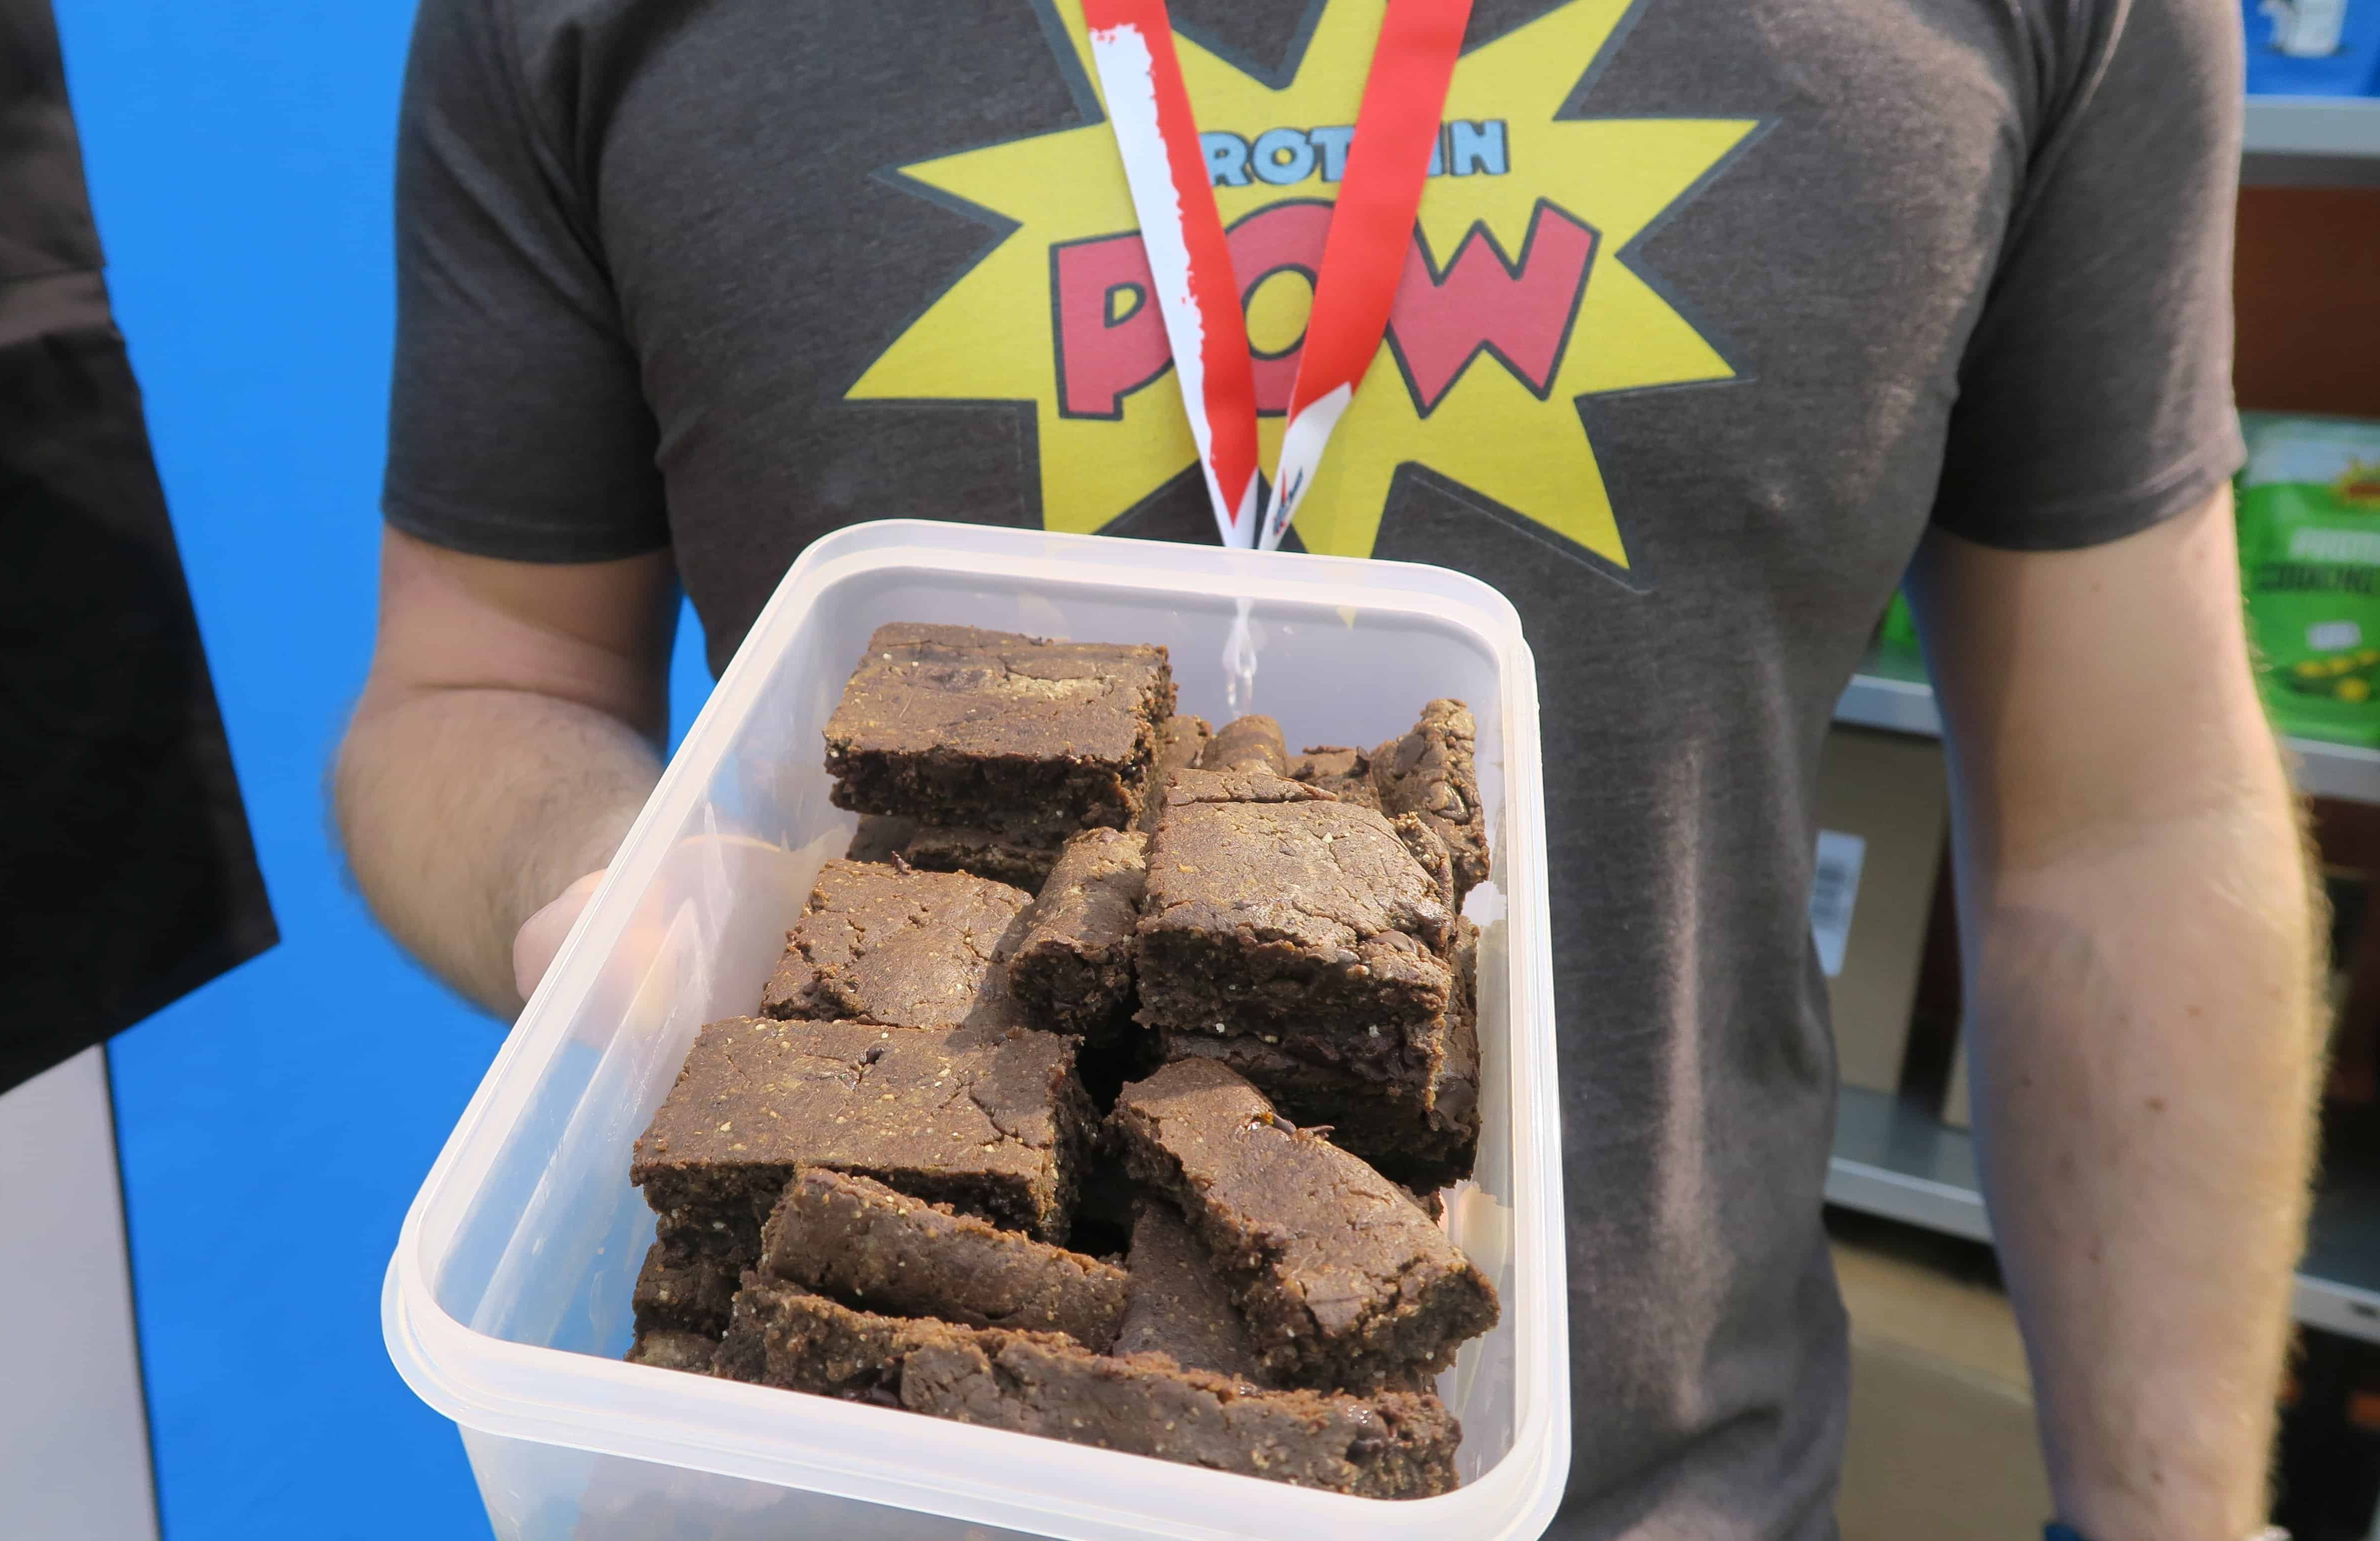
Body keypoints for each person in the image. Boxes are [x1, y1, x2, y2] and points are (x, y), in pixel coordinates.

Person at [334, 0, 2317, 1534]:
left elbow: (2134, 820)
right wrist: (610, 897)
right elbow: (475, 680)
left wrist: (2175, 1517)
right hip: (829, 1478)